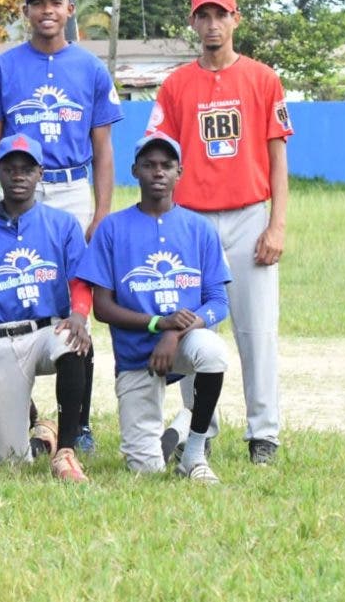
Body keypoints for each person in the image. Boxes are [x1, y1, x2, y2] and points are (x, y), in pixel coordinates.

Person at [0, 0, 124, 451]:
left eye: (55, 1)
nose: (47, 10)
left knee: (74, 306)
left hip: (72, 186)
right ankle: (19, 411)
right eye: (37, 2)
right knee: (18, 291)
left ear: (69, 8)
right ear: (26, 13)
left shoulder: (91, 69)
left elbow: (103, 146)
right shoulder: (3, 68)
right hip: (19, 187)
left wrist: (101, 209)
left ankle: (75, 423)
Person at [148, 0, 292, 465]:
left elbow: (278, 157)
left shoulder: (263, 78)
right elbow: (158, 158)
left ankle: (264, 433)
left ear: (236, 19)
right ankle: (200, 427)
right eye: (203, 16)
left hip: (249, 214)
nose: (212, 24)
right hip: (191, 221)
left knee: (257, 331)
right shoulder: (176, 85)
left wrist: (277, 225)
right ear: (193, 23)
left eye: (221, 15)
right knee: (190, 329)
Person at [75, 134, 231, 482]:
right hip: (135, 357)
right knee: (145, 469)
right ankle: (177, 428)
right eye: (149, 165)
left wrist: (174, 333)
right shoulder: (112, 228)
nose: (157, 172)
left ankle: (193, 455)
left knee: (214, 352)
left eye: (166, 165)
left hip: (182, 344)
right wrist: (158, 324)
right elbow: (102, 308)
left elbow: (219, 303)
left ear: (180, 173)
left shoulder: (200, 229)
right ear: (135, 171)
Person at [0, 134, 93, 482]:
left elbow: (80, 279)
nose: (19, 175)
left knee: (72, 341)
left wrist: (78, 314)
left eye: (27, 169)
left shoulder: (62, 224)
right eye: (11, 168)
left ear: (40, 174)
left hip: (48, 330)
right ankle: (41, 437)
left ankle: (65, 449)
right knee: (13, 461)